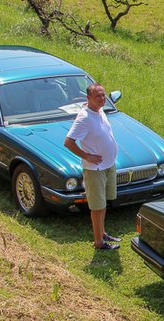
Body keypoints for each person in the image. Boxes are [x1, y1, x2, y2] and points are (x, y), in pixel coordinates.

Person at [64, 83, 121, 250]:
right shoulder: (84, 118)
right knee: (97, 207)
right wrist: (86, 156)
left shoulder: (99, 110)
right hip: (94, 169)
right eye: (98, 96)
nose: (102, 99)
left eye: (103, 95)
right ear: (88, 98)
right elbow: (68, 142)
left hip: (107, 165)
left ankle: (102, 233)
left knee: (103, 203)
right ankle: (98, 242)